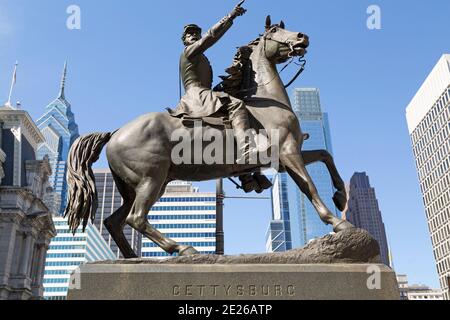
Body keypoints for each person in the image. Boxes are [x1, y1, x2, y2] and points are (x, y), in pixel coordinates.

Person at [170, 1, 257, 163]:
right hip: (197, 94)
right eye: (190, 35)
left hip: (205, 92)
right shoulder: (190, 52)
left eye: (196, 34)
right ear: (184, 40)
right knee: (236, 105)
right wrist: (230, 16)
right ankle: (247, 150)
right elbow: (210, 36)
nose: (195, 36)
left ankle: (245, 173)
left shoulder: (201, 57)